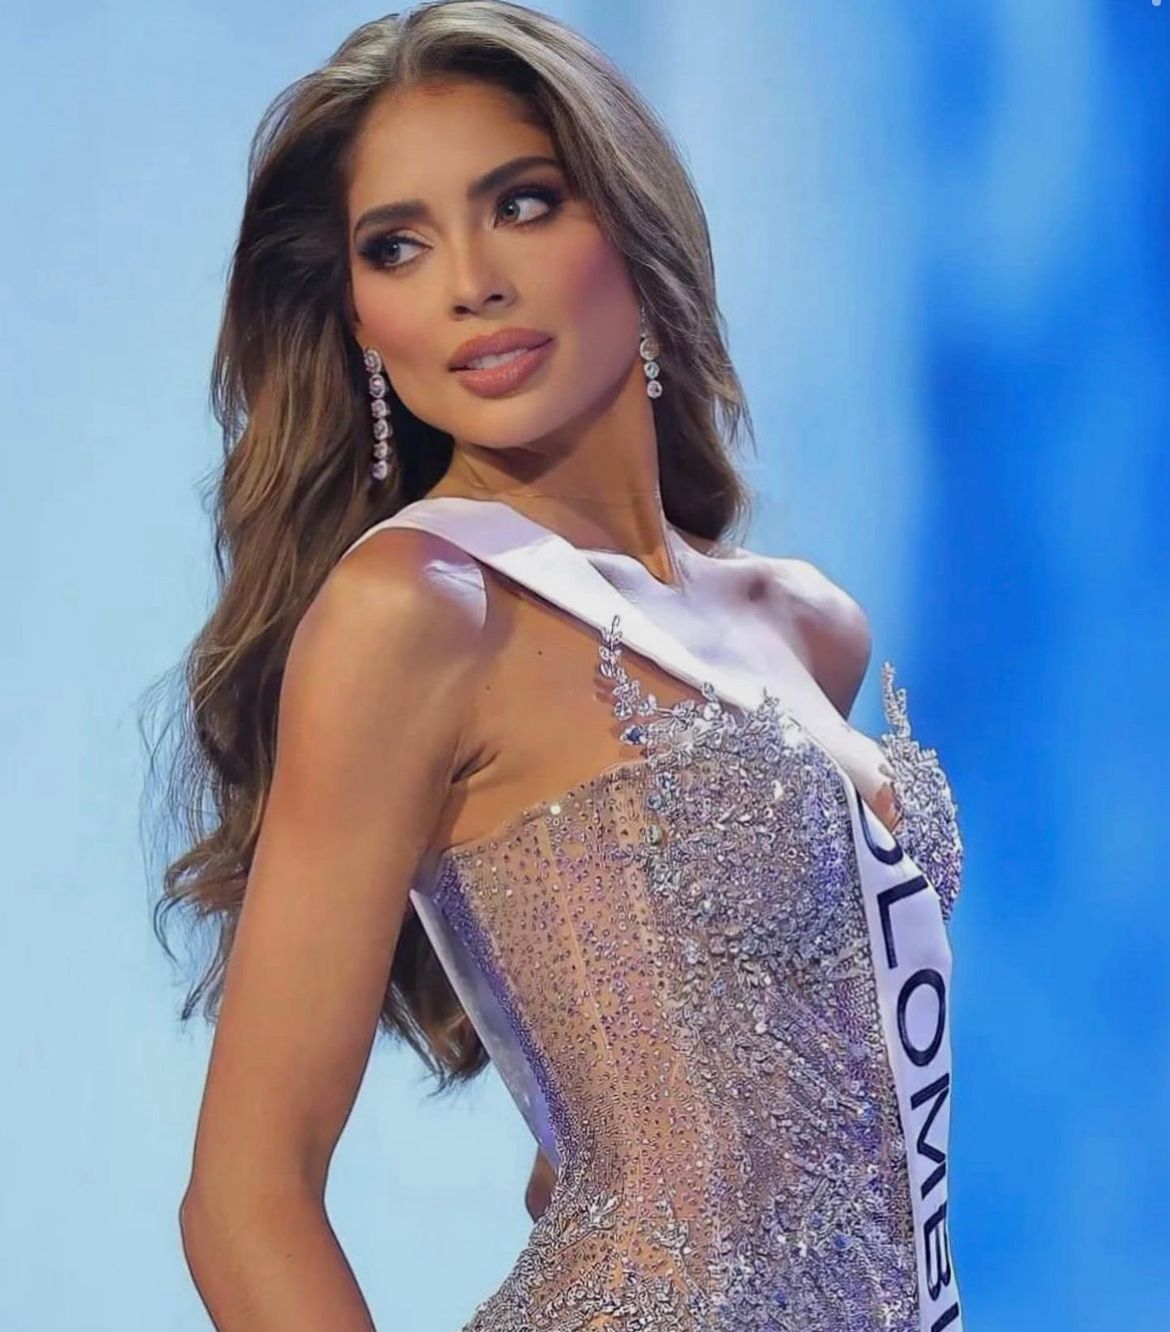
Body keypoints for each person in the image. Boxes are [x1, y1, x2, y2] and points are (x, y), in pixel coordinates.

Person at [154, 2, 966, 1328]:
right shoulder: (413, 611)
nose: (470, 280)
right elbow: (245, 1199)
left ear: (631, 226)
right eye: (399, 246)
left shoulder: (806, 623)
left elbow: (708, 1100)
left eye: (521, 205)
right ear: (360, 320)